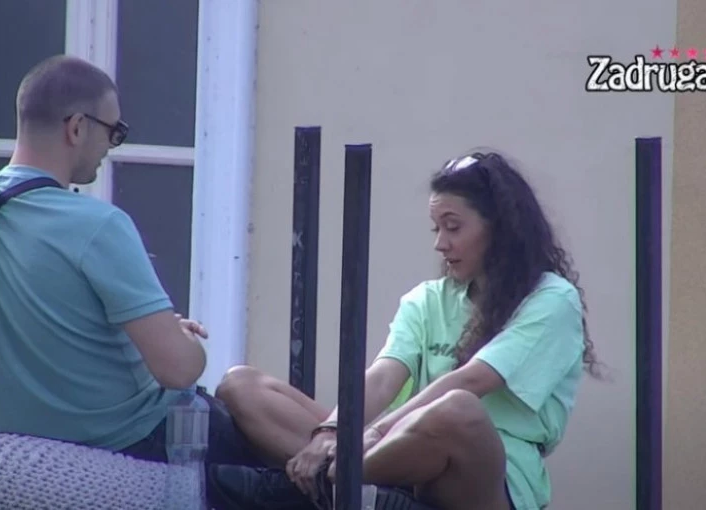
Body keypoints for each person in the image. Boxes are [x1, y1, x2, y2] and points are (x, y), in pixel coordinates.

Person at [206, 151, 603, 510]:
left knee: (459, 408)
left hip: (484, 478)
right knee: (241, 385)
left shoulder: (552, 299)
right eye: (435, 229)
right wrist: (332, 432)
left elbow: (473, 379)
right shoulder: (427, 298)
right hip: (395, 456)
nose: (440, 244)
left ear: (499, 229)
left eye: (453, 227)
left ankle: (318, 486)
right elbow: (383, 377)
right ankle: (349, 487)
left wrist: (372, 435)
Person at [0, 55, 209, 457]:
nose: (111, 147)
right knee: (276, 447)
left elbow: (41, 327)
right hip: (128, 440)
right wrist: (183, 339)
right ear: (78, 127)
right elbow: (178, 369)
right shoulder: (99, 225)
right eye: (114, 132)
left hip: (4, 444)